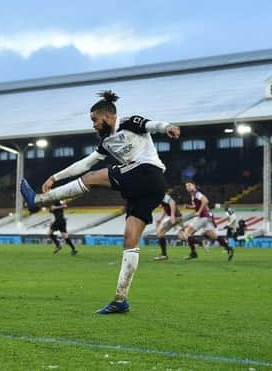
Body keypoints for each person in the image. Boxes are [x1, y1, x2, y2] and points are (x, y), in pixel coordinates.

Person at [20, 90, 180, 314]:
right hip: (145, 190)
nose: (94, 125)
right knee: (130, 239)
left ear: (107, 116)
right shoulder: (107, 142)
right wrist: (55, 177)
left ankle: (37, 200)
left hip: (147, 173)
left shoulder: (128, 122)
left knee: (91, 179)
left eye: (95, 120)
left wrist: (168, 127)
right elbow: (85, 162)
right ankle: (120, 299)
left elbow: (152, 125)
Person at [177, 182, 233, 261]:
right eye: (186, 186)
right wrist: (189, 207)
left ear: (194, 186)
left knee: (187, 234)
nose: (188, 187)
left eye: (190, 185)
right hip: (208, 217)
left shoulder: (197, 193)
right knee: (213, 236)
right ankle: (229, 249)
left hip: (203, 217)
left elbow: (205, 201)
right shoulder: (193, 195)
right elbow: (197, 206)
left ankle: (197, 249)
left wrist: (199, 212)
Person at [153, 192, 182, 261]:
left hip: (176, 217)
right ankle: (200, 242)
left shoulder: (162, 195)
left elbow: (172, 202)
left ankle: (164, 255)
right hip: (177, 217)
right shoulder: (161, 198)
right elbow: (165, 209)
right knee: (183, 236)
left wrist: (172, 215)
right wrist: (161, 219)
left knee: (160, 233)